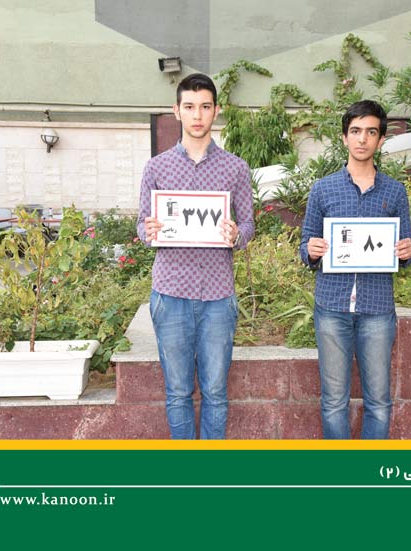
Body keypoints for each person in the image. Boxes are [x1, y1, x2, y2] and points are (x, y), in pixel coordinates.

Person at [137, 73, 254, 439]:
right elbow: (142, 224)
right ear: (177, 111)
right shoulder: (157, 168)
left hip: (218, 295)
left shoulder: (235, 168)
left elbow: (248, 225)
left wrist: (236, 235)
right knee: (177, 392)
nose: (198, 115)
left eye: (205, 107)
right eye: (189, 107)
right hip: (170, 293)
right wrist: (148, 231)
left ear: (216, 111)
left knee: (216, 392)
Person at [299, 100, 411, 439]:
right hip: (331, 307)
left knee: (378, 401)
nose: (362, 139)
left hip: (376, 308)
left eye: (371, 132)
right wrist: (311, 250)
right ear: (344, 137)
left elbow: (405, 249)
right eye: (355, 131)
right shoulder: (323, 189)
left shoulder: (395, 192)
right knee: (334, 401)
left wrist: (406, 252)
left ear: (381, 140)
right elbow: (305, 246)